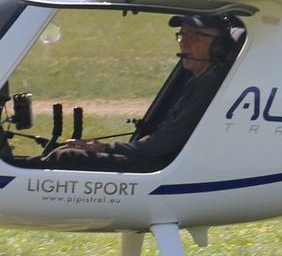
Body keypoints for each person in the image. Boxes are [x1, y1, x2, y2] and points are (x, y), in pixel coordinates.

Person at [44, 14, 239, 171]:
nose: (184, 43)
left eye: (195, 35)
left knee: (68, 157)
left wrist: (104, 148)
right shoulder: (199, 80)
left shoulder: (212, 83)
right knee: (67, 154)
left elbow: (166, 143)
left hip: (170, 166)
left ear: (220, 46)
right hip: (167, 161)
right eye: (182, 35)